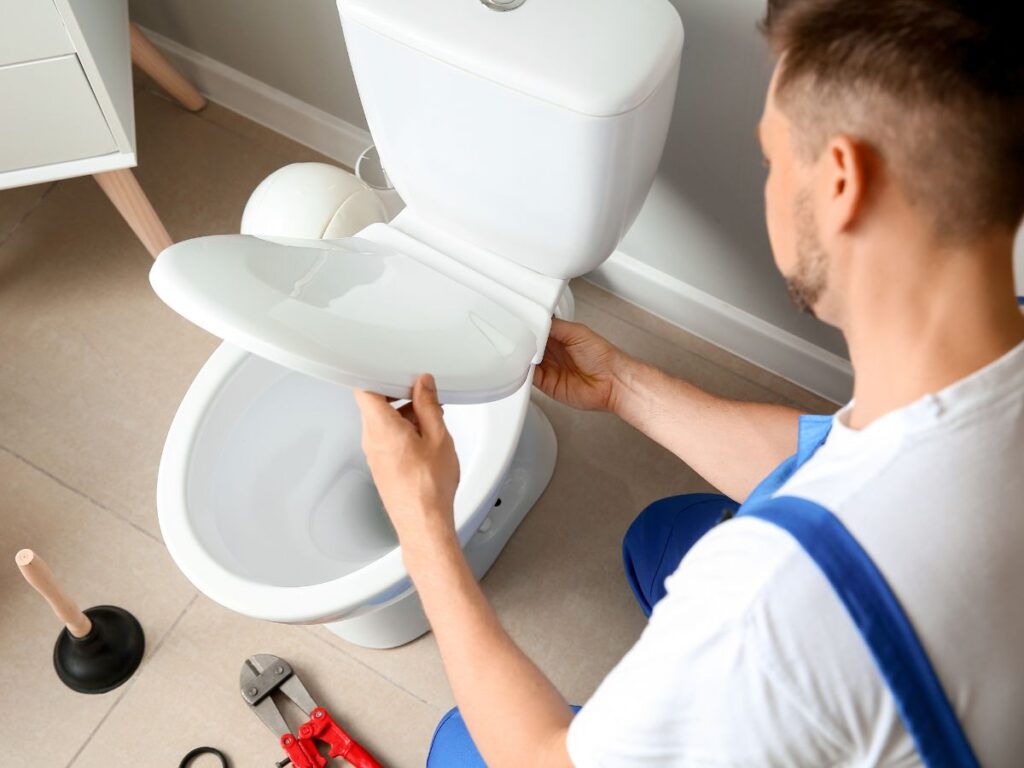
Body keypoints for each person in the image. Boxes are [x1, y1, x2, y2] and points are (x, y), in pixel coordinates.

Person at [353, 0, 1024, 764]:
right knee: (661, 539)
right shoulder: (991, 340)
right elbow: (838, 453)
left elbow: (541, 758)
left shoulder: (766, 605)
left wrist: (424, 529)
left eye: (771, 160)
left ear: (842, 182)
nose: (767, 182)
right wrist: (625, 387)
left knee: (461, 744)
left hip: (844, 660)